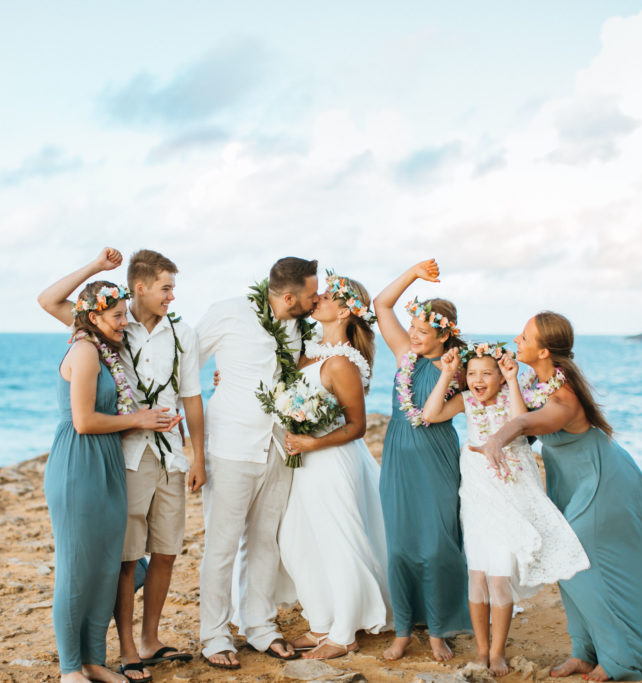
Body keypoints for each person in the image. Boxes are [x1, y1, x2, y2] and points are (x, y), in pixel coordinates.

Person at [470, 312, 642, 682]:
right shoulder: (537, 380)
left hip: (601, 480)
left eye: (524, 336)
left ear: (544, 351)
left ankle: (617, 660)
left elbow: (530, 423)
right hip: (571, 482)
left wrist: (496, 440)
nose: (516, 340)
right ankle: (583, 653)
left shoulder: (564, 393)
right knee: (568, 570)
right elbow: (521, 416)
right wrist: (506, 383)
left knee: (575, 567)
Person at [39, 248, 204, 682]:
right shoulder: (99, 338)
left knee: (127, 560)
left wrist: (195, 450)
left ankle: (106, 656)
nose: (173, 296)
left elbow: (190, 391)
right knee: (95, 565)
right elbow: (49, 302)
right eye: (166, 287)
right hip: (102, 459)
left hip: (130, 457)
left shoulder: (152, 335)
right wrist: (95, 267)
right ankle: (83, 664)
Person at [420, 342, 589, 676]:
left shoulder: (512, 395)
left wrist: (513, 381)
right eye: (472, 374)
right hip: (477, 494)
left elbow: (520, 423)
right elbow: (429, 414)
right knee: (477, 576)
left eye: (487, 373)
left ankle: (497, 652)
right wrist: (450, 373)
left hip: (509, 491)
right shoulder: (466, 400)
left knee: (499, 578)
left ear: (500, 375)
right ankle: (481, 650)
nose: (478, 380)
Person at [195, 257, 319, 670]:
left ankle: (260, 627)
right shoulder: (228, 312)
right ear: (288, 296)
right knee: (222, 542)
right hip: (230, 443)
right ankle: (214, 635)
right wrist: (186, 438)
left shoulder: (299, 325)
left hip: (279, 445)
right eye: (310, 294)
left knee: (267, 540)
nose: (315, 300)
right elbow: (183, 366)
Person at [276, 272, 393, 659]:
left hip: (332, 461)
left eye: (326, 296)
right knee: (298, 540)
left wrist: (314, 441)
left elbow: (357, 427)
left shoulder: (342, 363)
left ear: (344, 310)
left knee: (339, 541)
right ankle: (322, 623)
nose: (318, 298)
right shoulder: (307, 353)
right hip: (305, 463)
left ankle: (344, 634)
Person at [372, 259, 471, 662]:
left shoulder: (458, 369)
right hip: (397, 455)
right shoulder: (403, 356)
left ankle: (438, 630)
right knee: (399, 548)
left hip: (437, 457)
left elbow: (479, 402)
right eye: (412, 328)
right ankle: (402, 630)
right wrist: (413, 274)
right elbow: (381, 304)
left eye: (423, 331)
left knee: (437, 547)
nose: (413, 335)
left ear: (445, 335)